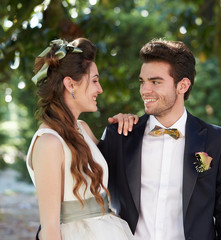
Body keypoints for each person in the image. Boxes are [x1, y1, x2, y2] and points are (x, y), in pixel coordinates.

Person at [98, 39, 221, 240]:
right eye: (142, 81)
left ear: (182, 85)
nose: (144, 90)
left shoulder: (215, 140)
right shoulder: (119, 136)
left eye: (155, 82)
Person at [25, 38, 136, 240]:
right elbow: (50, 228)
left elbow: (117, 167)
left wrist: (123, 123)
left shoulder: (82, 128)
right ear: (70, 84)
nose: (99, 89)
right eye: (94, 80)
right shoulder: (49, 142)